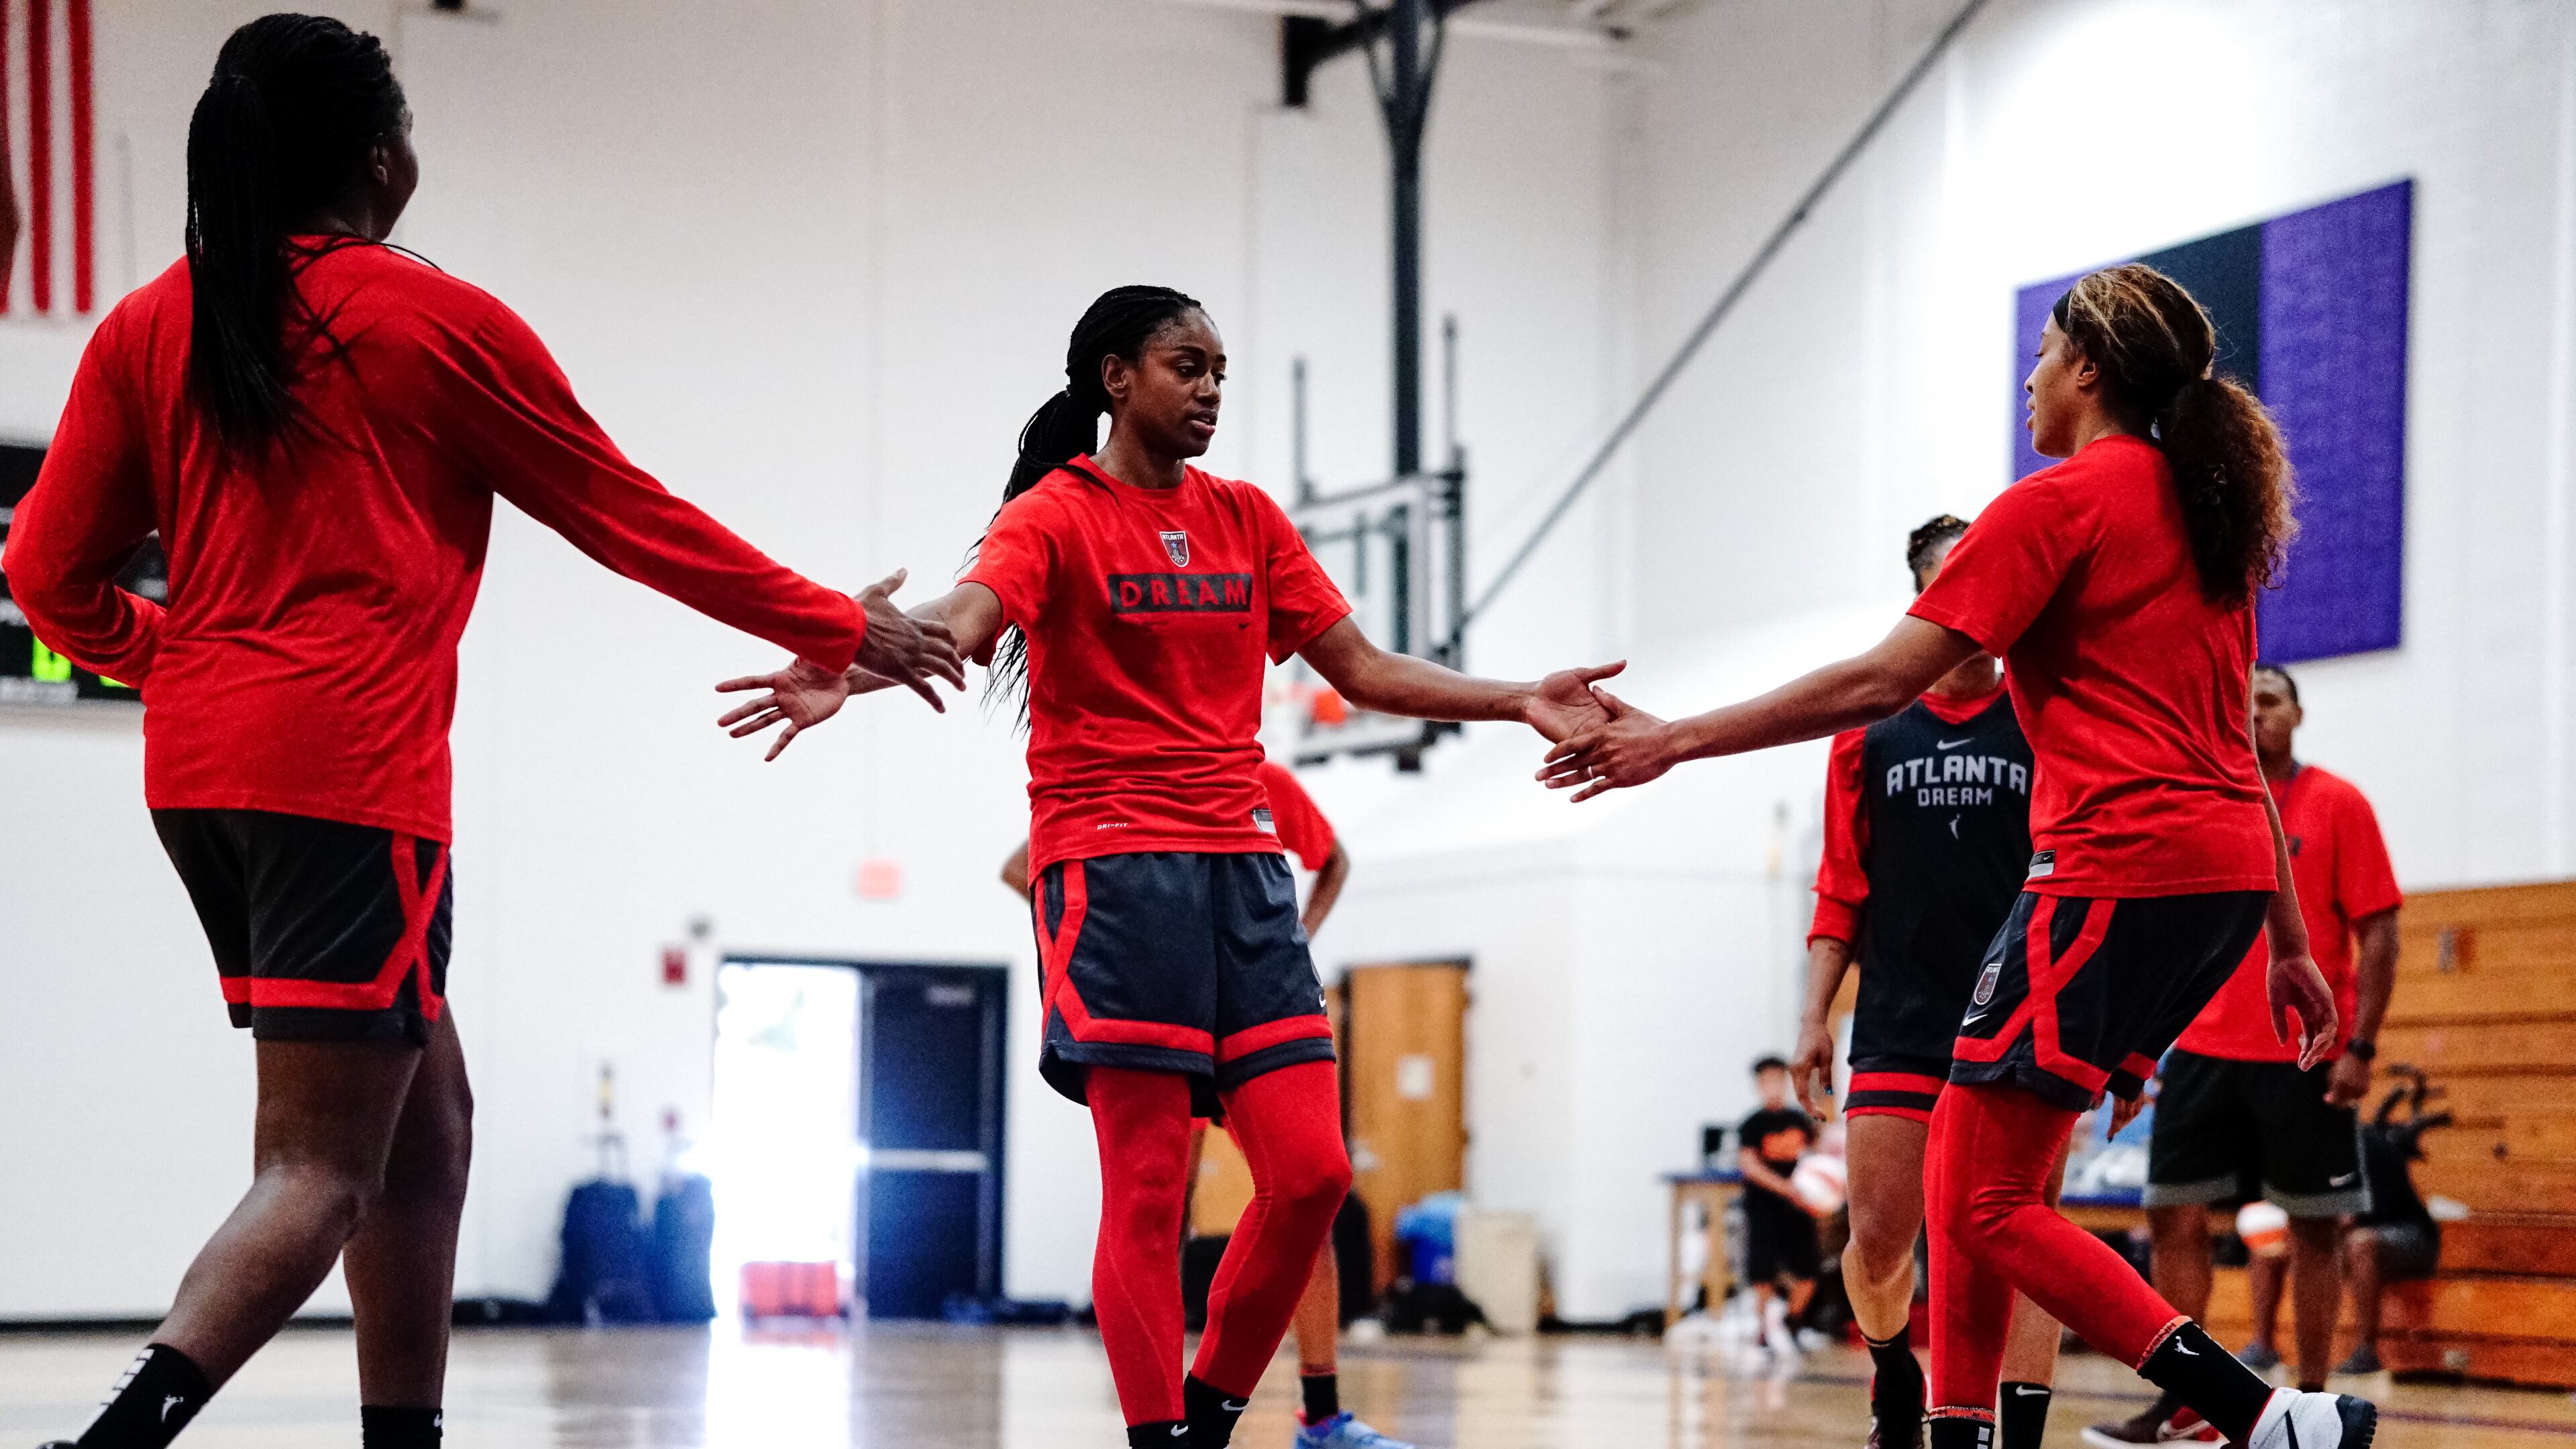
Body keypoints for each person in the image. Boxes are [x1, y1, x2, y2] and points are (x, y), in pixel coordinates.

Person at [0, 17, 958, 1449]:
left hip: (200, 781)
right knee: (320, 1164)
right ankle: (112, 1442)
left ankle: (408, 1434)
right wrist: (834, 620)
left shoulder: (152, 320)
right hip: (347, 783)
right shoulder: (423, 319)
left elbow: (40, 577)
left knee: (427, 1120)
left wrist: (187, 665)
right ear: (385, 158)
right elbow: (631, 520)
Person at [718, 284, 1621, 1449]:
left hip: (1242, 875)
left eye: (1219, 373)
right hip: (1114, 870)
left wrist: (1515, 698)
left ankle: (1208, 1418)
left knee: (1309, 1177)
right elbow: (974, 613)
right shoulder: (1058, 512)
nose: (1208, 391)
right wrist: (865, 651)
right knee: (1147, 1191)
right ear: (1115, 378)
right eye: (1186, 367)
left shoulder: (1246, 516)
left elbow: (1365, 669)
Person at [1537, 263, 2377, 1449]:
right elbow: (2238, 752)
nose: (2030, 376)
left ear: (2088, 368)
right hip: (2220, 888)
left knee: (1984, 1198)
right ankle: (1960, 1428)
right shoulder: (2206, 514)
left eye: (2043, 352)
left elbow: (1885, 677)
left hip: (2113, 871)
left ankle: (2265, 1416)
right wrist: (2289, 941)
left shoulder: (2058, 502)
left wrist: (1675, 738)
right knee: (1966, 1182)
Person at [1002, 755, 1409, 1449]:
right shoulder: (1108, 775)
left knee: (1310, 1188)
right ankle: (1166, 1425)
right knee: (1159, 1199)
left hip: (1251, 981)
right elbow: (1021, 865)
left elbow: (1334, 858)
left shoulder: (1261, 780)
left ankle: (1321, 1410)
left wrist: (1300, 935)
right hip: (1158, 966)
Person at [1794, 514, 2062, 1449]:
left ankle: (2007, 1433)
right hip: (1903, 1015)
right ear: (1926, 599)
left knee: (2022, 1237)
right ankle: (1896, 1376)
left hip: (2024, 1016)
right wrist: (1813, 1017)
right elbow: (1840, 891)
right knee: (1878, 1240)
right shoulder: (1870, 731)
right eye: (1960, 578)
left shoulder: (2043, 712)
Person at [2086, 662, 2401, 1444]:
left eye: (2271, 700)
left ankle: (2316, 1400)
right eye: (2245, 699)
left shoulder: (2339, 803)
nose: (2256, 712)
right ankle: (2188, 1398)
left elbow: (2382, 932)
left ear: (2298, 714)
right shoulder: (2194, 799)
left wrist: (2361, 1045)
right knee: (2168, 1215)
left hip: (2304, 1050)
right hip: (2196, 1045)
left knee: (2316, 1227)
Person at [2330, 1080, 2446, 1375]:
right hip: (2362, 1238)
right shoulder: (2315, 1154)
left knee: (2360, 1242)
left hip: (2413, 1236)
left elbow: (2385, 1204)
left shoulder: (2373, 1145)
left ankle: (2366, 1352)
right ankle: (2266, 1347)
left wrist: (2345, 1218)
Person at [1737, 1056, 1827, 1355]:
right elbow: (1749, 1165)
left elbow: (1816, 1156)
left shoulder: (1798, 1120)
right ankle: (1761, 1332)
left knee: (1808, 1271)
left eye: (1779, 1080)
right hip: (1764, 1207)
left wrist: (1822, 1190)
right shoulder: (1752, 1125)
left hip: (1798, 1208)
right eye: (1767, 1082)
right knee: (1762, 1273)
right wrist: (1785, 1188)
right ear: (1758, 1086)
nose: (1773, 1087)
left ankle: (1792, 1324)